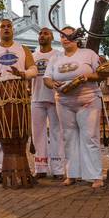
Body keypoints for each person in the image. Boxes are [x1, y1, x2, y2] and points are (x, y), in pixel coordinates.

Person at [44, 27, 104, 189]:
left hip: (88, 99)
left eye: (69, 36)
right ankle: (72, 174)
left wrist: (86, 77)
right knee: (68, 137)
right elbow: (47, 78)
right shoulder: (55, 57)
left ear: (77, 38)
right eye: (63, 36)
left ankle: (95, 176)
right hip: (63, 101)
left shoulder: (88, 54)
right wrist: (53, 84)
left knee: (90, 136)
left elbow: (101, 74)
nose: (66, 39)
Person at [0, 18, 37, 185]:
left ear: (13, 29)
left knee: (20, 133)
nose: (5, 29)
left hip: (19, 93)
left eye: (8, 26)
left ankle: (25, 169)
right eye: (2, 26)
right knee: (0, 135)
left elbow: (33, 68)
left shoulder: (22, 49)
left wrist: (24, 74)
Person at [30, 28, 65, 179]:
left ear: (52, 37)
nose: (42, 36)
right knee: (38, 133)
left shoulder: (58, 55)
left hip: (53, 97)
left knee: (57, 132)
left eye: (45, 33)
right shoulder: (32, 56)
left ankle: (58, 169)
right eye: (40, 33)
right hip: (36, 97)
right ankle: (40, 167)